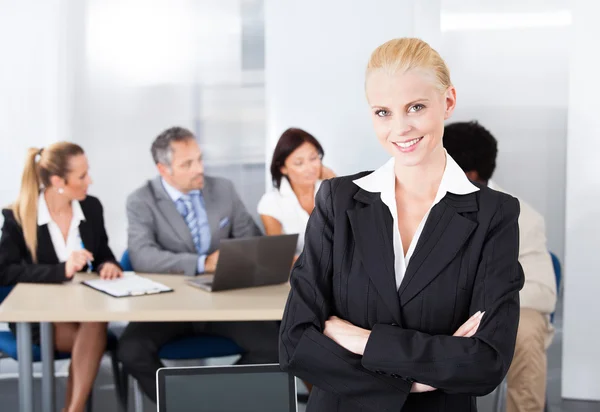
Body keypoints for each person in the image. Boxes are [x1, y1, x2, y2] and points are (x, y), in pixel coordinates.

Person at [278, 38, 524, 412]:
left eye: (416, 107)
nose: (400, 128)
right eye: (383, 112)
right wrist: (416, 380)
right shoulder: (336, 200)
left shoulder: (494, 214)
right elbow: (295, 341)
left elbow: (485, 361)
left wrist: (362, 340)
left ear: (449, 101)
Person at [118, 126, 280, 403]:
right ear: (163, 169)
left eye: (200, 159)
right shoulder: (141, 200)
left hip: (224, 303)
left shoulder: (223, 189)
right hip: (168, 308)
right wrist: (202, 263)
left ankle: (208, 403)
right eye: (188, 164)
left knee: (277, 346)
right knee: (131, 350)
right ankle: (183, 404)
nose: (199, 168)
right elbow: (143, 255)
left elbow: (251, 239)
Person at [444, 120, 557, 412]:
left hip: (491, 314)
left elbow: (543, 293)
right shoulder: (411, 202)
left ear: (469, 175)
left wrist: (479, 304)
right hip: (431, 311)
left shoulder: (523, 217)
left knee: (529, 326)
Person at [0, 142, 122, 412]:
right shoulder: (18, 215)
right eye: (82, 176)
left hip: (83, 310)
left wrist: (108, 265)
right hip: (39, 318)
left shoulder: (90, 208)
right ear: (58, 181)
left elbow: (103, 252)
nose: (89, 180)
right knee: (93, 330)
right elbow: (5, 271)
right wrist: (61, 270)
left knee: (93, 323)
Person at [258, 128, 336, 260]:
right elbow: (280, 257)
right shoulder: (270, 203)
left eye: (313, 158)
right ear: (283, 168)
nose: (310, 168)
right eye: (299, 163)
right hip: (299, 276)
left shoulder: (332, 190)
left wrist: (336, 182)